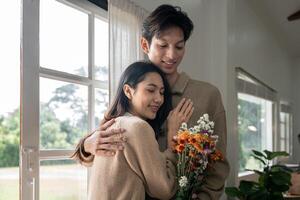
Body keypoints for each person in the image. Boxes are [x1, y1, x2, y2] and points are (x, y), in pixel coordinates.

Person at [75, 4, 230, 200]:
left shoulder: (207, 95)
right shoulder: (134, 93)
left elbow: (218, 163)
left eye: (179, 46)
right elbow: (105, 159)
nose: (172, 55)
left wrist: (206, 197)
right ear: (145, 45)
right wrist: (88, 144)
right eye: (163, 45)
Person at [80, 61, 178, 199]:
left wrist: (85, 144)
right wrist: (173, 140)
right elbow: (165, 190)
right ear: (128, 91)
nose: (159, 99)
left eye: (161, 92)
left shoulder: (113, 124)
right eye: (150, 90)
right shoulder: (138, 127)